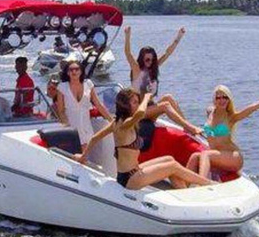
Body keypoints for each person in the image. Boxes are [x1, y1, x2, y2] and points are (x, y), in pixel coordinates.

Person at [75, 89, 214, 190]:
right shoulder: (124, 124)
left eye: (137, 102)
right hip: (129, 179)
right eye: (134, 102)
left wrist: (83, 156)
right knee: (172, 167)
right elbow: (141, 113)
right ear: (125, 105)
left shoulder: (116, 122)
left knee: (169, 160)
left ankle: (187, 195)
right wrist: (146, 97)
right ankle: (208, 185)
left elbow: (94, 138)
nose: (137, 105)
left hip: (135, 171)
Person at [187, 86, 259, 179]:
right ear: (214, 99)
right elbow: (208, 120)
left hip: (233, 156)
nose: (222, 100)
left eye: (225, 97)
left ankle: (202, 186)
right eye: (218, 98)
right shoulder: (210, 112)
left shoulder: (231, 117)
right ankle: (183, 188)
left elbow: (254, 107)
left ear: (229, 99)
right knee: (194, 156)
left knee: (205, 154)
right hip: (217, 155)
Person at [123, 26, 202, 139]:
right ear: (142, 59)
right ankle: (190, 128)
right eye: (147, 60)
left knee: (168, 98)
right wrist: (127, 36)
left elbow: (167, 53)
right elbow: (128, 53)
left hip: (150, 109)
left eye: (152, 59)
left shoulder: (152, 70)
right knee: (165, 105)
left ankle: (186, 125)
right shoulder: (137, 70)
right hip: (138, 112)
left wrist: (178, 37)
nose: (150, 62)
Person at [56, 60, 113, 150]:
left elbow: (98, 104)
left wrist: (111, 120)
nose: (74, 71)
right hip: (71, 127)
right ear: (67, 72)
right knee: (77, 155)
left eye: (76, 69)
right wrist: (66, 125)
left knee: (84, 154)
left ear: (81, 71)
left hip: (86, 127)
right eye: (71, 70)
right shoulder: (62, 87)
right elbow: (61, 111)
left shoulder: (88, 84)